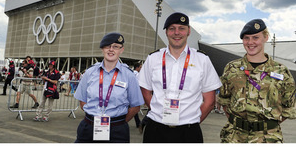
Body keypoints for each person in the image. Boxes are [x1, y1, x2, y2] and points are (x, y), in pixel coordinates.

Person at [138, 12, 222, 143]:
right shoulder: (153, 58)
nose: (177, 32)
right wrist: (158, 110)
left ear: (188, 31)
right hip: (156, 130)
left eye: (181, 28)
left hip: (188, 132)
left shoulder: (202, 59)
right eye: (172, 28)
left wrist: (191, 121)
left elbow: (210, 101)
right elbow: (145, 90)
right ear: (166, 32)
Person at [218, 19, 296, 143]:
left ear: (266, 37)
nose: (250, 42)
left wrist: (266, 125)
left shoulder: (281, 71)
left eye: (255, 37)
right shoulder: (232, 68)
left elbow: (289, 107)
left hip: (268, 138)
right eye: (246, 38)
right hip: (234, 136)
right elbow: (224, 99)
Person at [74, 32, 144, 143]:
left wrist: (116, 123)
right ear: (102, 49)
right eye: (108, 46)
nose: (111, 50)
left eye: (116, 47)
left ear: (121, 50)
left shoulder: (129, 75)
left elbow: (135, 106)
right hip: (89, 128)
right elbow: (82, 101)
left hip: (117, 131)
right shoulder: (90, 72)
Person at [133, 62, 142, 128]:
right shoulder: (138, 75)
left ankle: (138, 122)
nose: (140, 69)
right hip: (135, 93)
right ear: (137, 67)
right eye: (140, 67)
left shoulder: (131, 73)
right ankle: (138, 122)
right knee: (135, 108)